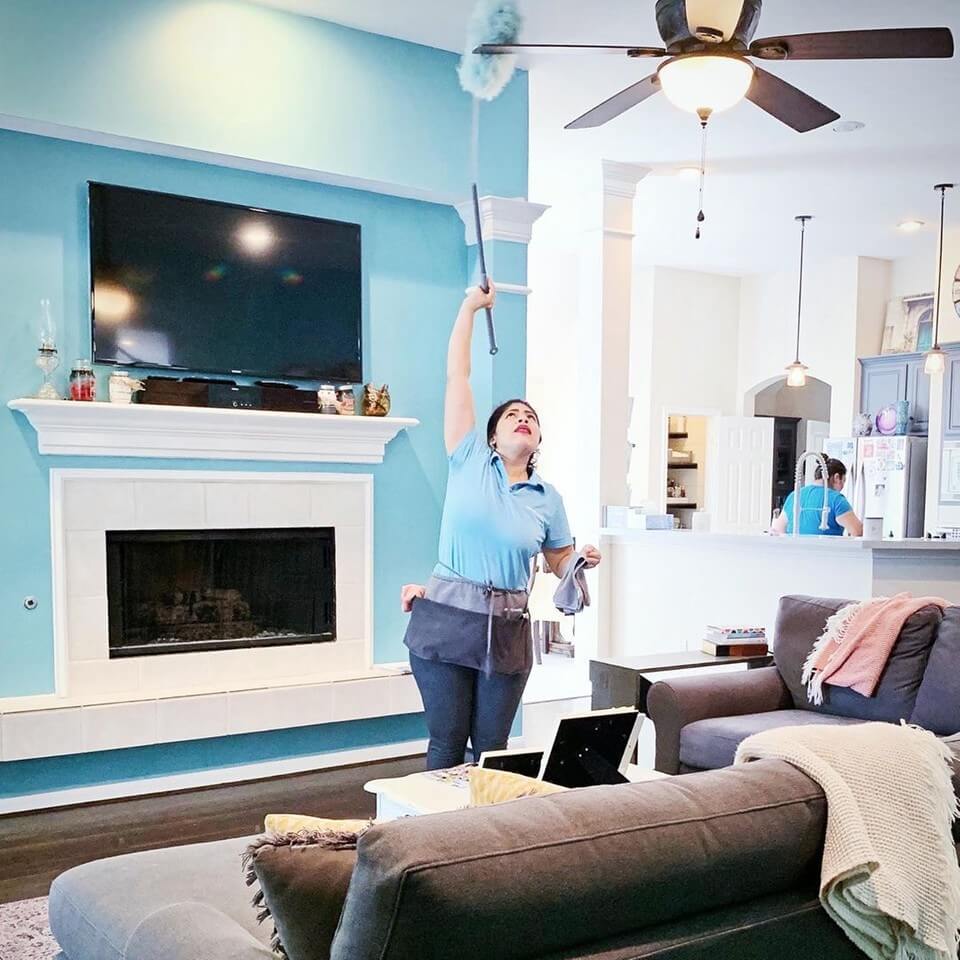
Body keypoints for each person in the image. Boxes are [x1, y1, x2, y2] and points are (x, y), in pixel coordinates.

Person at [400, 281, 601, 770]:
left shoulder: (548, 498)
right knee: (447, 746)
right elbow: (457, 375)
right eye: (512, 414)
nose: (522, 418)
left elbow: (556, 560)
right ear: (492, 436)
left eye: (530, 416)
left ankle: (489, 840)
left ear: (537, 439)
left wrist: (577, 560)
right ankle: (441, 843)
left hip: (508, 631)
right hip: (448, 621)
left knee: (493, 752)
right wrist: (469, 306)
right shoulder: (468, 457)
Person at [769, 457, 863, 537]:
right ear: (836, 477)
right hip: (827, 555)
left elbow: (778, 530)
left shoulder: (794, 495)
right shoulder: (836, 499)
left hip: (795, 554)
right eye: (843, 481)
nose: (842, 487)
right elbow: (858, 531)